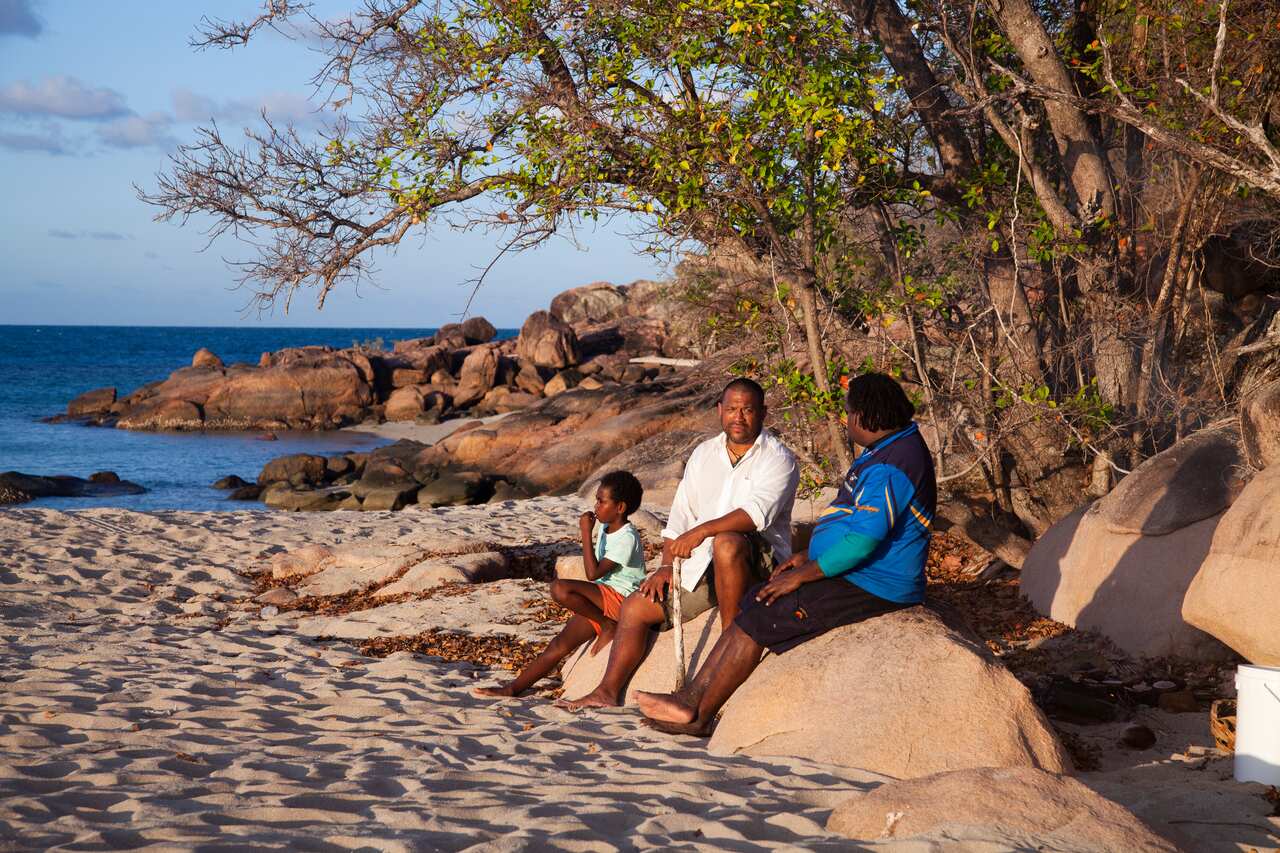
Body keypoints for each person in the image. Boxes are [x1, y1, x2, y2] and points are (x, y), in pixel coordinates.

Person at [635, 372, 936, 735]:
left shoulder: (893, 465)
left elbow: (862, 543)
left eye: (847, 412)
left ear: (864, 415)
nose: (846, 420)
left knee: (767, 614)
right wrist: (807, 555)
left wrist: (802, 575)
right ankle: (689, 698)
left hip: (873, 582)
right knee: (755, 601)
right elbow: (858, 525)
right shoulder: (889, 449)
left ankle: (699, 716)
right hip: (855, 570)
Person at [558, 377, 800, 709]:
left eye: (747, 410)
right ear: (719, 410)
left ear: (763, 413)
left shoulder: (777, 458)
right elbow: (681, 517)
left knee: (727, 541)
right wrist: (665, 566)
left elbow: (756, 515)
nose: (739, 417)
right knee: (635, 606)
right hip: (703, 563)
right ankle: (606, 692)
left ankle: (728, 646)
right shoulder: (704, 454)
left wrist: (703, 532)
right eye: (732, 409)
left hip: (757, 560)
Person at [474, 470, 646, 698]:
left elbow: (593, 574)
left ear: (620, 507)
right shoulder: (607, 528)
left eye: (601, 501)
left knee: (559, 588)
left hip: (621, 599)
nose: (596, 506)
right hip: (603, 598)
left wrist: (585, 533)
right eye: (596, 500)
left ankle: (607, 625)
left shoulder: (627, 537)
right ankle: (513, 689)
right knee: (559, 644)